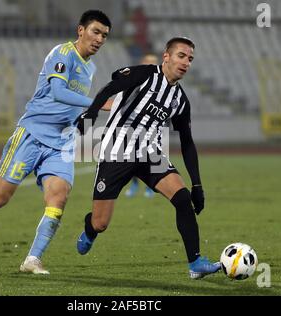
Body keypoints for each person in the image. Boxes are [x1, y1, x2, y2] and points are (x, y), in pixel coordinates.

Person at [0, 10, 112, 275]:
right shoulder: (62, 54)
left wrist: (83, 120)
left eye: (104, 35)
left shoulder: (91, 68)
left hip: (61, 141)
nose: (100, 39)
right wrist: (99, 103)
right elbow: (57, 92)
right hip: (32, 133)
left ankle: (32, 259)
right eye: (96, 31)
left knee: (59, 196)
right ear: (81, 30)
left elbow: (72, 103)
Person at [75, 37, 221, 279]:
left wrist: (197, 185)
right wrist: (89, 113)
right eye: (181, 56)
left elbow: (187, 142)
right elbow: (110, 88)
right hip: (116, 151)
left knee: (183, 199)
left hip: (150, 154)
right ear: (167, 56)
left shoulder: (180, 100)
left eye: (190, 59)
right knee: (100, 223)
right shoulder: (144, 74)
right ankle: (89, 230)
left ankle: (195, 263)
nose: (186, 63)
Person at [125, 53, 158, 198]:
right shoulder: (135, 80)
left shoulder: (162, 82)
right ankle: (134, 184)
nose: (150, 65)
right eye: (148, 62)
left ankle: (151, 186)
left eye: (153, 63)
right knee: (132, 156)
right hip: (134, 123)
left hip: (154, 125)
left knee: (152, 156)